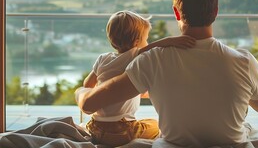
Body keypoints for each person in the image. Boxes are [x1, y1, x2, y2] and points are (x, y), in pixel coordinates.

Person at [75, 0, 258, 147]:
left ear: (176, 12)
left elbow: (89, 105)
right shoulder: (244, 61)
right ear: (215, 12)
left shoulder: (152, 60)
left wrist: (81, 91)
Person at [80, 10, 196, 147]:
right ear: (136, 42)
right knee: (157, 126)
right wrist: (171, 40)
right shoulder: (134, 56)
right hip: (121, 130)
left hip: (95, 127)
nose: (147, 42)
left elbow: (87, 84)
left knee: (146, 123)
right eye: (146, 38)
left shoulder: (102, 58)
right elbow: (154, 48)